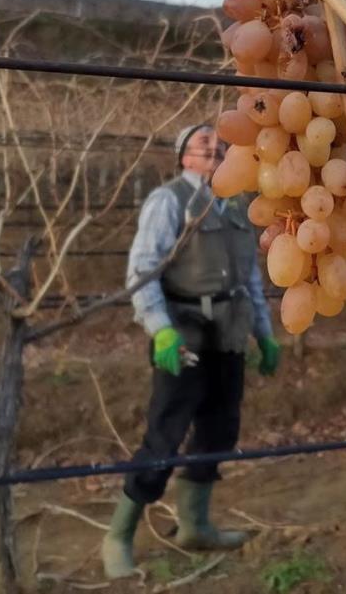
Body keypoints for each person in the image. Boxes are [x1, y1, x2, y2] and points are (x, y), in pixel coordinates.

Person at [101, 124, 281, 578]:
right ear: (184, 157)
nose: (217, 149)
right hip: (185, 333)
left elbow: (250, 277)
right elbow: (142, 269)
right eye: (205, 145)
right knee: (166, 433)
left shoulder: (238, 205)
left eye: (222, 144)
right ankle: (118, 536)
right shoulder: (169, 201)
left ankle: (195, 526)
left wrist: (264, 332)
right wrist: (160, 329)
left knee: (220, 430)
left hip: (230, 330)